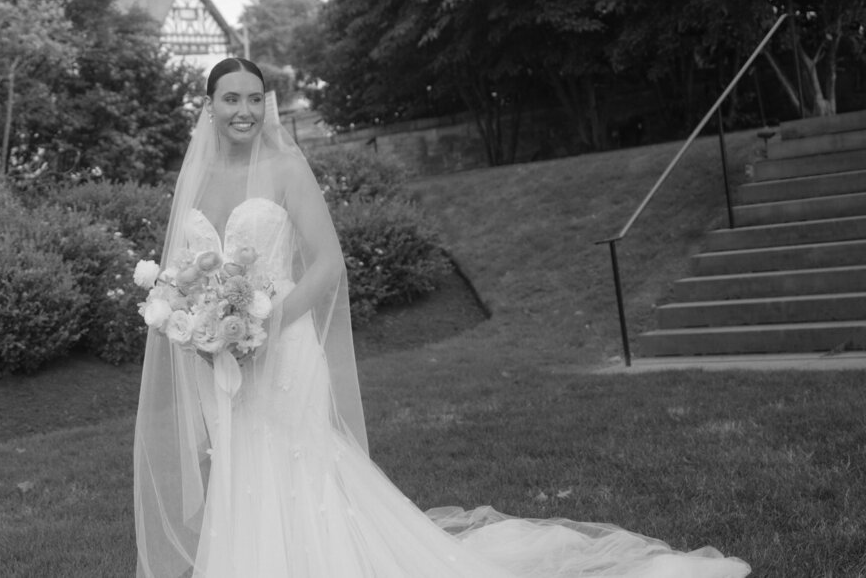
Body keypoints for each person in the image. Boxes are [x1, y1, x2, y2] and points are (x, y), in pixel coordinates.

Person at [132, 58, 751, 578]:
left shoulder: (287, 169)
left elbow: (327, 263)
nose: (243, 108)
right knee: (240, 470)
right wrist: (196, 320)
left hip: (283, 347)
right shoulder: (196, 181)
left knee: (298, 466)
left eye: (253, 98)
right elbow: (186, 272)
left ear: (266, 104)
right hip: (225, 358)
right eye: (229, 98)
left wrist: (266, 321)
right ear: (208, 105)